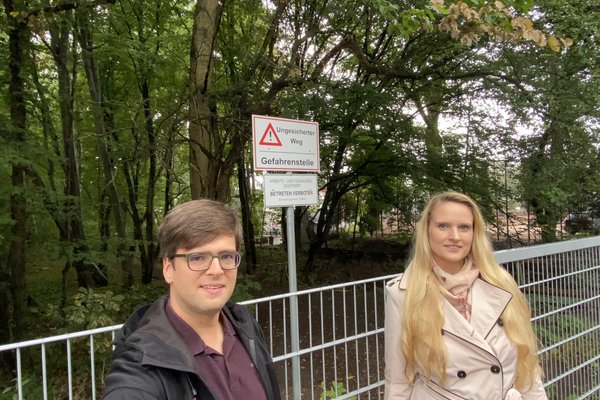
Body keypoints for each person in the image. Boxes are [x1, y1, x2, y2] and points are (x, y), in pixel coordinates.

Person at [103, 199, 281, 400]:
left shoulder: (244, 325)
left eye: (226, 256)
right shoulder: (141, 367)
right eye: (197, 258)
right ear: (169, 269)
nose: (216, 270)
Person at [384, 192, 547, 400]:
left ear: (474, 233)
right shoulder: (403, 294)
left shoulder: (501, 284)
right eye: (443, 226)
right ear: (427, 231)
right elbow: (398, 380)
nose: (455, 236)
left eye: (464, 227)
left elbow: (527, 369)